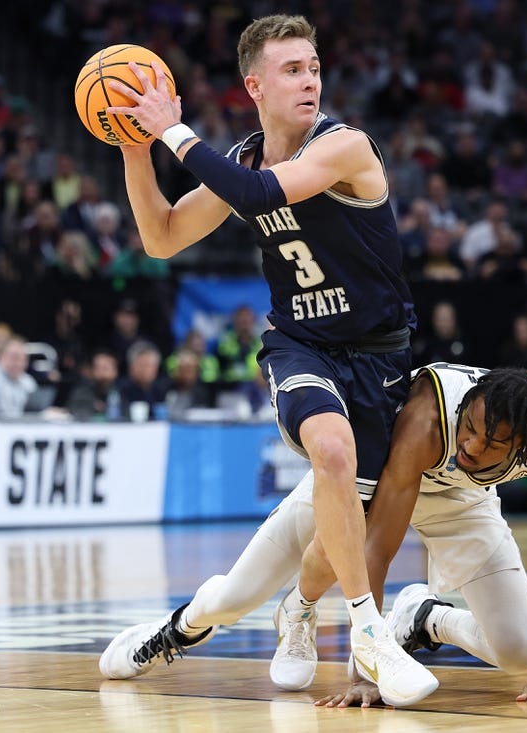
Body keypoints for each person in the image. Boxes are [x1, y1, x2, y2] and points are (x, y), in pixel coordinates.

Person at [100, 14, 432, 704]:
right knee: (332, 453)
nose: (310, 80)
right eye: (292, 70)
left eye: (313, 67)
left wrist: (169, 128)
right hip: (301, 345)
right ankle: (368, 632)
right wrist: (134, 149)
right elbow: (160, 238)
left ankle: (283, 611)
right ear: (254, 84)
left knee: (296, 561)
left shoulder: (344, 146)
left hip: (378, 359)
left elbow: (257, 196)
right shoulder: (241, 161)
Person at [98, 366, 527, 706]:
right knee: (236, 596)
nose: (470, 445)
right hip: (370, 483)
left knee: (520, 653)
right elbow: (375, 546)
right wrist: (367, 676)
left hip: (465, 502)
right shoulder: (427, 420)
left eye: (491, 444)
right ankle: (172, 631)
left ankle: (424, 620)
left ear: (526, 445)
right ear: (468, 406)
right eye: (470, 428)